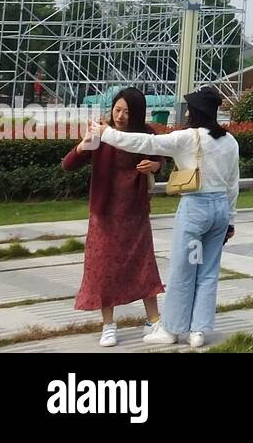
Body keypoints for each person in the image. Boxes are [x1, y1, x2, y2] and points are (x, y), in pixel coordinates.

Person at [92, 87, 239, 349]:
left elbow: (145, 143)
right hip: (219, 212)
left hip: (195, 210)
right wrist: (230, 220)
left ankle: (172, 329)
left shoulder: (186, 137)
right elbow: (233, 184)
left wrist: (108, 134)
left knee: (184, 270)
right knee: (207, 272)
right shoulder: (229, 141)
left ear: (193, 112)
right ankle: (198, 332)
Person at [62, 87, 166, 347]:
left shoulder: (147, 134)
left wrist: (154, 166)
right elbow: (68, 164)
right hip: (104, 213)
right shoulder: (101, 132)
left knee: (144, 266)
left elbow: (160, 159)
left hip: (135, 211)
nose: (120, 116)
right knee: (103, 269)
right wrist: (83, 145)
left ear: (138, 114)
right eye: (117, 110)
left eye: (127, 112)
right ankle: (108, 325)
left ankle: (154, 321)